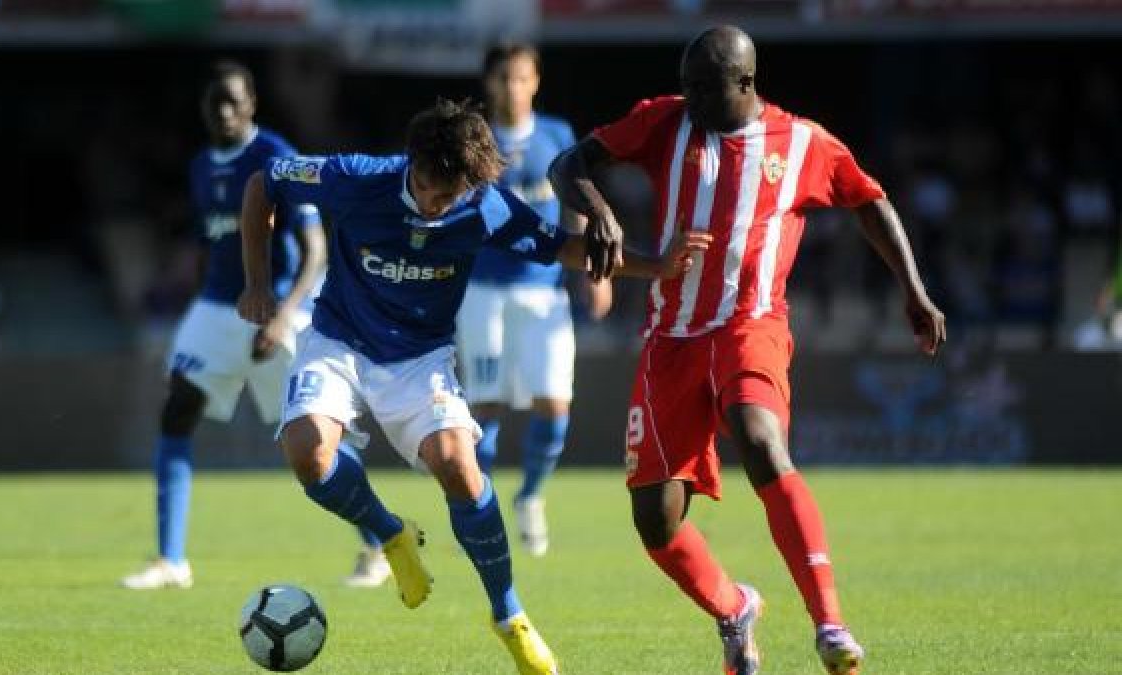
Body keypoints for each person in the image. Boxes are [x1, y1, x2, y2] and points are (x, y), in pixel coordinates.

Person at [237, 98, 707, 674]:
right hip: (338, 340)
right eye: (433, 189)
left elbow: (564, 247)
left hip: (420, 358)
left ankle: (509, 615)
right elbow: (264, 183)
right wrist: (257, 282)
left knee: (460, 464)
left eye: (451, 196)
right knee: (307, 454)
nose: (439, 206)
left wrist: (657, 265)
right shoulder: (356, 177)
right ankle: (390, 534)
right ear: (412, 161)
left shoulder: (482, 206)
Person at [549, 25, 946, 675]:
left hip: (749, 325)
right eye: (686, 86)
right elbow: (568, 164)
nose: (691, 100)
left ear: (745, 84)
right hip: (671, 336)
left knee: (762, 441)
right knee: (656, 518)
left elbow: (869, 201)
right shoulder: (663, 121)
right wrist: (598, 211)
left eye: (704, 89)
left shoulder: (801, 143)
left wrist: (914, 289)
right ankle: (735, 608)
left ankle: (831, 624)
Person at [120, 60, 354, 589]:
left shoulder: (276, 156)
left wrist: (285, 314)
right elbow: (212, 243)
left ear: (251, 105)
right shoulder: (202, 165)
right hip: (218, 305)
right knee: (178, 406)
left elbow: (314, 249)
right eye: (214, 103)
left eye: (233, 101)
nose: (223, 112)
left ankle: (377, 544)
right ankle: (170, 560)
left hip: (282, 307)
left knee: (314, 443)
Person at [456, 41, 611, 557]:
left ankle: (530, 496)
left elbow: (576, 206)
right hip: (482, 291)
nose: (512, 88)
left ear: (536, 81)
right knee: (488, 407)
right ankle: (485, 512)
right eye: (503, 79)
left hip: (543, 292)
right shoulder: (471, 140)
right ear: (488, 83)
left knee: (555, 404)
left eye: (521, 78)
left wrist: (594, 267)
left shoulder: (557, 136)